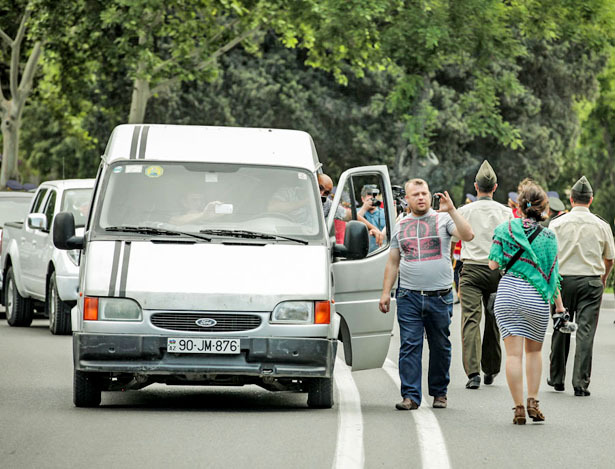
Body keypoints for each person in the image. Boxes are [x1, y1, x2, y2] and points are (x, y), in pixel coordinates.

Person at [379, 178, 474, 410]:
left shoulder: (443, 219)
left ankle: (439, 393)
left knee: (440, 347)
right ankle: (410, 396)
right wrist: (385, 293)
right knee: (409, 346)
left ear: (430, 195)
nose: (421, 197)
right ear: (407, 199)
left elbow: (468, 235)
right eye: (415, 194)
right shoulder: (400, 225)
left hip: (439, 296)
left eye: (424, 193)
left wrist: (452, 210)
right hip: (408, 296)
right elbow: (393, 262)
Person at [488, 178, 566, 424]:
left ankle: (519, 408)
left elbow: (493, 265)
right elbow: (552, 276)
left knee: (513, 356)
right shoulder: (549, 237)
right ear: (544, 207)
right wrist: (560, 307)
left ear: (519, 205)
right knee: (534, 352)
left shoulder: (504, 229)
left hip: (508, 295)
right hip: (535, 299)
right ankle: (533, 401)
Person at [547, 176, 615, 397]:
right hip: (591, 281)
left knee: (561, 326)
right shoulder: (602, 225)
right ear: (591, 200)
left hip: (563, 281)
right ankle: (580, 383)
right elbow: (610, 258)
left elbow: (549, 257)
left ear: (571, 199)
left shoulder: (556, 224)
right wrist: (603, 278)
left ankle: (556, 378)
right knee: (586, 332)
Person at [455, 160, 513, 390]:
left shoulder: (464, 211)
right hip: (497, 271)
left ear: (475, 186)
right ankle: (491, 368)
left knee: (470, 319)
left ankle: (473, 373)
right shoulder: (506, 212)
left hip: (471, 270)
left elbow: (453, 238)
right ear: (495, 187)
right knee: (493, 320)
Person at [358, 184, 386, 252]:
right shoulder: (356, 212)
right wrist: (364, 208)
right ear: (363, 199)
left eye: (375, 196)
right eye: (369, 196)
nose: (373, 199)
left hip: (382, 251)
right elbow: (354, 221)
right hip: (364, 254)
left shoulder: (385, 213)